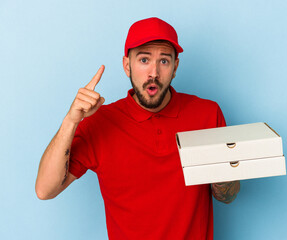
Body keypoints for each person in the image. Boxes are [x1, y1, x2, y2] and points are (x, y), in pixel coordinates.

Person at [35, 17, 240, 240]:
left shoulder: (207, 114)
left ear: (175, 67)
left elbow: (228, 196)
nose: (153, 73)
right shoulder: (100, 122)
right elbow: (45, 190)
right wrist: (71, 121)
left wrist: (222, 177)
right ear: (127, 65)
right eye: (144, 60)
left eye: (164, 61)